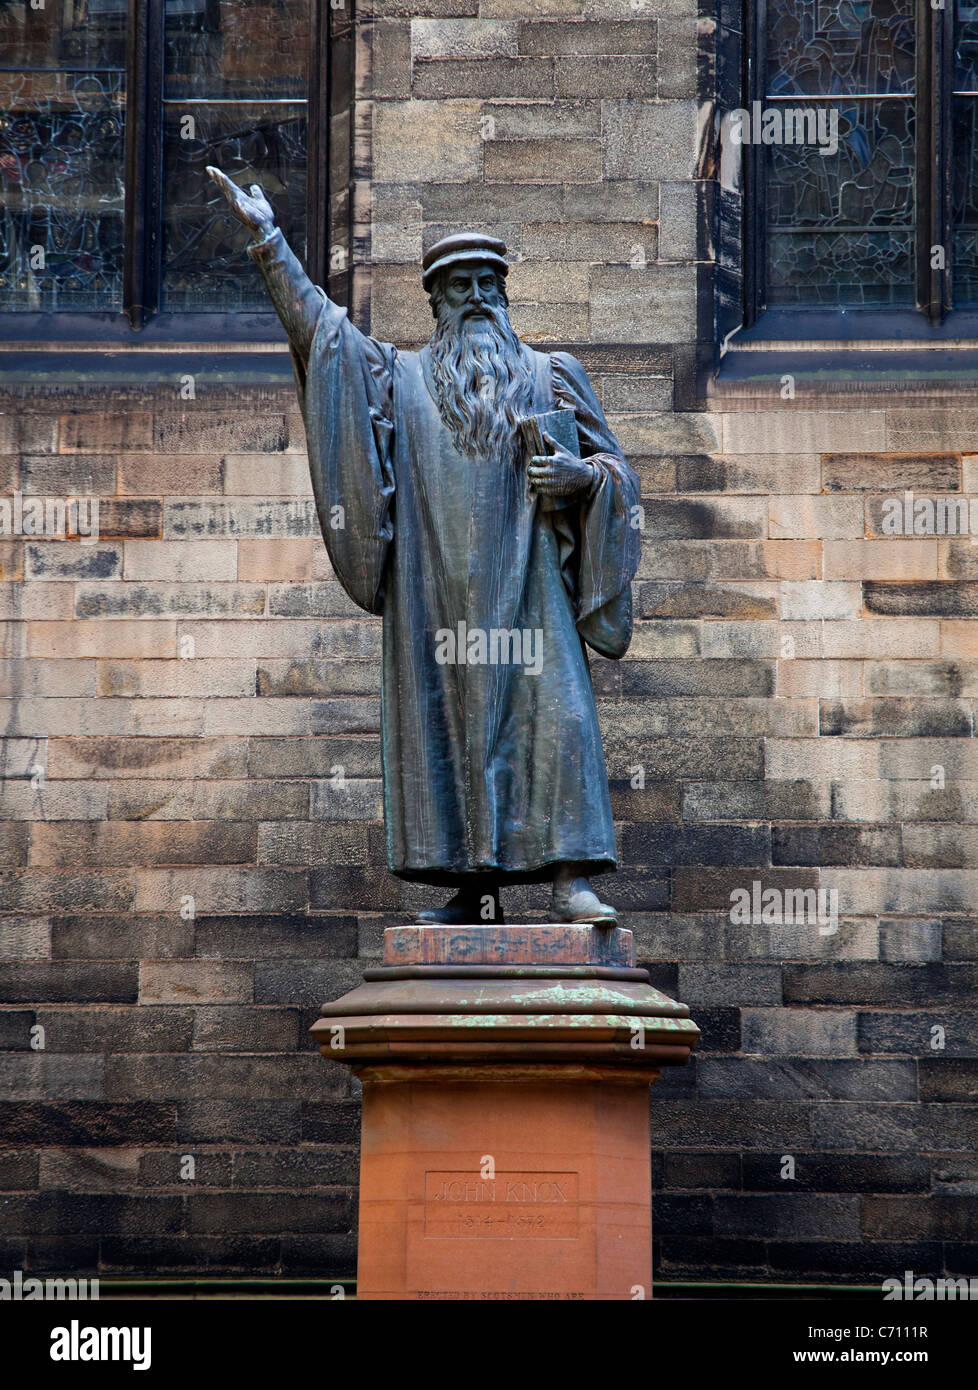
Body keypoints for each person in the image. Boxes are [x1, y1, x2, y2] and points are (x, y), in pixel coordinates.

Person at [208, 168, 641, 926]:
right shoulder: (396, 379)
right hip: (433, 591)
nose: (476, 296)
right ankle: (472, 892)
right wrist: (271, 243)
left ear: (504, 297)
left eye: (487, 284)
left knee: (558, 719)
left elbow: (619, 475)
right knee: (446, 729)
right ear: (435, 301)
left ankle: (572, 878)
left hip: (531, 590)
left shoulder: (552, 377)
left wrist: (583, 477)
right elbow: (322, 333)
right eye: (458, 286)